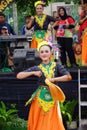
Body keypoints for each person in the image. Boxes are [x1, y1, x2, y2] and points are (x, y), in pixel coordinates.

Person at [17, 40, 72, 130]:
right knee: (39, 120)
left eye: (46, 51)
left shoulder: (56, 66)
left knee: (53, 120)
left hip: (53, 96)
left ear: (50, 53)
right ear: (39, 54)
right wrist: (33, 73)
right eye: (42, 52)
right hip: (39, 98)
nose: (44, 54)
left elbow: (68, 77)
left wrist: (53, 79)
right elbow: (19, 76)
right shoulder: (37, 68)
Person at [79, 0, 87, 66]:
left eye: (82, 4)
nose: (81, 5)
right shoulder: (83, 13)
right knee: (85, 48)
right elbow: (80, 22)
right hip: (84, 32)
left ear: (85, 4)